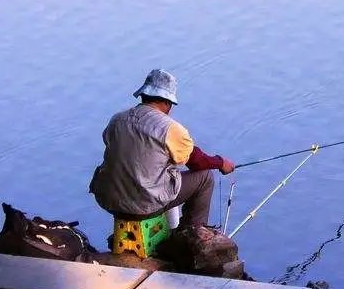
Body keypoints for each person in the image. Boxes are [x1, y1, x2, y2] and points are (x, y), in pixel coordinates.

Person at [89, 69, 235, 227]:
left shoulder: (117, 120)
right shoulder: (170, 128)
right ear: (167, 102)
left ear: (143, 95)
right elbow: (196, 162)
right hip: (144, 206)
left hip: (110, 201)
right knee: (205, 177)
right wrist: (220, 163)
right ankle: (194, 234)